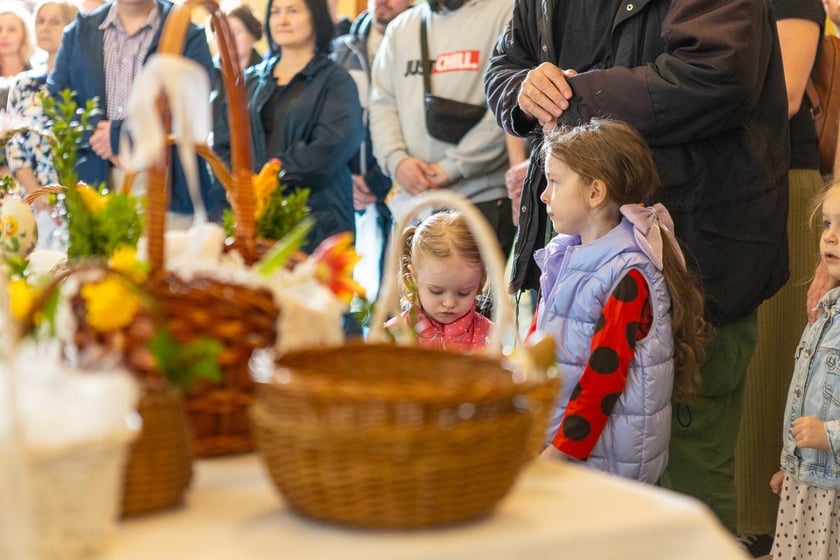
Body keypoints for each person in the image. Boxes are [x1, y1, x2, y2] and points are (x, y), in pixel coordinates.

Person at [485, 0, 790, 532]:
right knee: (572, 469)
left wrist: (579, 96)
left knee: (687, 474)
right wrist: (524, 90)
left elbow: (717, 70)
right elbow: (505, 66)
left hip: (695, 255)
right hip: (575, 260)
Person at [534, 119, 707, 484]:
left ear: (596, 192)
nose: (544, 195)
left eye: (554, 181)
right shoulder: (565, 257)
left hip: (602, 464)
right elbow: (540, 346)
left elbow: (604, 377)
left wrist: (560, 451)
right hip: (567, 449)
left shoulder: (629, 274)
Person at [735, 0, 825, 551]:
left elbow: (787, 95)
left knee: (781, 355)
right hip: (721, 184)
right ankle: (746, 518)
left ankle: (774, 522)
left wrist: (685, 97)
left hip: (779, 177)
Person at [47, 0, 225, 223]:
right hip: (93, 182)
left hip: (164, 182)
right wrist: (96, 135)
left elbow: (195, 103)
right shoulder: (80, 31)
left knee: (163, 257)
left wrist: (120, 135)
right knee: (96, 259)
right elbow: (55, 99)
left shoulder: (185, 32)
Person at [213, 0, 363, 253]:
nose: (282, 20)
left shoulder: (336, 81)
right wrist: (237, 182)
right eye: (276, 12)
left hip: (316, 224)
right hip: (254, 223)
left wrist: (266, 179)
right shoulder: (250, 80)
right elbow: (223, 143)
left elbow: (328, 148)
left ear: (315, 17)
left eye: (293, 11)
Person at [369, 0, 515, 259]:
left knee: (474, 300)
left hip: (481, 202)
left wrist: (452, 167)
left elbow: (507, 105)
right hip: (411, 206)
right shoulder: (401, 28)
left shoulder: (506, 12)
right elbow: (382, 106)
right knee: (407, 300)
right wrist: (397, 161)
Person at [769, 182, 840, 560]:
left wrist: (828, 435)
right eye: (828, 224)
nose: (829, 236)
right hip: (808, 482)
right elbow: (805, 394)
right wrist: (789, 464)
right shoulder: (825, 313)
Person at [330, 0, 414, 300]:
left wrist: (377, 179)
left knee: (393, 292)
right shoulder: (341, 50)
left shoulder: (417, 44)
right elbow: (331, 121)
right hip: (346, 184)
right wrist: (346, 177)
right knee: (341, 289)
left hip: (400, 181)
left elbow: (409, 120)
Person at [6, 0, 78, 248]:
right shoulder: (23, 84)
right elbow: (13, 147)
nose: (45, 27)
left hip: (76, 198)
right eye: (40, 21)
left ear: (72, 27)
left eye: (55, 21)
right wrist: (38, 195)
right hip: (32, 199)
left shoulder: (81, 82)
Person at [384, 209, 492, 351]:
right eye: (436, 291)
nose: (449, 303)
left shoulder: (490, 335)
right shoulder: (392, 335)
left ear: (480, 282)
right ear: (413, 277)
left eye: (463, 293)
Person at [210, 2, 263, 125]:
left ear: (252, 35)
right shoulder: (206, 72)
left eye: (237, 32)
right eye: (222, 33)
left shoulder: (265, 75)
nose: (229, 39)